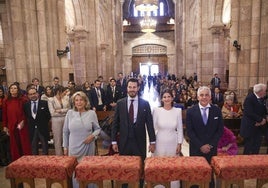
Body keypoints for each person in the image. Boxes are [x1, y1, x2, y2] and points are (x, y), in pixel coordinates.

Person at [111, 78, 156, 188]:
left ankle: (140, 185)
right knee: (124, 167)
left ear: (138, 88)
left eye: (134, 87)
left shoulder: (145, 104)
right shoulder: (120, 103)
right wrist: (113, 141)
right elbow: (115, 123)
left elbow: (149, 124)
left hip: (139, 141)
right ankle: (125, 186)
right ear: (127, 88)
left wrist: (152, 141)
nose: (132, 89)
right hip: (124, 141)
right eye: (130, 87)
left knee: (140, 166)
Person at [186, 86, 223, 188]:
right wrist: (201, 145)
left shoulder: (217, 110)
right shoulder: (191, 111)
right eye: (201, 95)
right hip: (196, 148)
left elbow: (219, 131)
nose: (204, 97)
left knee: (210, 174)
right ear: (197, 97)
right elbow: (190, 131)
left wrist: (210, 145)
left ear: (210, 97)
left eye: (206, 95)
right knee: (196, 173)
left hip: (211, 149)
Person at [63, 91, 101, 188]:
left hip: (88, 147)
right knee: (75, 171)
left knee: (88, 170)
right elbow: (65, 131)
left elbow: (98, 129)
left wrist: (92, 136)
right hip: (73, 148)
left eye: (81, 100)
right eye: (76, 100)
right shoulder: (69, 113)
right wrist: (65, 147)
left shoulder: (91, 113)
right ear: (74, 102)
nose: (79, 102)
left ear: (85, 101)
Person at [152, 89, 183, 188]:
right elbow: (152, 129)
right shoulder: (157, 111)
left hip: (173, 142)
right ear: (161, 99)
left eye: (169, 96)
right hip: (160, 142)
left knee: (173, 166)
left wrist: (179, 143)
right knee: (160, 165)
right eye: (164, 97)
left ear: (172, 98)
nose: (167, 99)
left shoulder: (178, 111)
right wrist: (151, 143)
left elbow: (180, 129)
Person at [2, 83, 32, 161]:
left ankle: (26, 160)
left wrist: (23, 121)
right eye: (11, 88)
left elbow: (27, 113)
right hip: (11, 125)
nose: (13, 90)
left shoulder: (23, 99)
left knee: (24, 143)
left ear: (18, 90)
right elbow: (4, 114)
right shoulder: (6, 100)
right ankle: (17, 161)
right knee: (14, 144)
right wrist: (5, 126)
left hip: (22, 124)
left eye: (15, 88)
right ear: (9, 90)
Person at [240, 83, 267, 154]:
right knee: (248, 148)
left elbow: (263, 111)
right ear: (260, 91)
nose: (265, 92)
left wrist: (263, 120)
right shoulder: (249, 98)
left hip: (259, 128)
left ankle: (255, 163)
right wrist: (260, 120)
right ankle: (246, 164)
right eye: (265, 90)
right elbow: (249, 113)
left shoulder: (262, 99)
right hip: (250, 127)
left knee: (256, 147)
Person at [24, 87, 51, 155]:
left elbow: (48, 116)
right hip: (32, 130)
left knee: (45, 148)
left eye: (34, 93)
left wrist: (42, 123)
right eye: (30, 94)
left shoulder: (44, 103)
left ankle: (45, 164)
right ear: (28, 95)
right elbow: (27, 116)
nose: (33, 95)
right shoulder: (26, 105)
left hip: (43, 129)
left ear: (37, 94)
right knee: (34, 148)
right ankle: (35, 164)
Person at [48, 86, 70, 155]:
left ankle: (68, 154)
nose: (65, 93)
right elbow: (52, 113)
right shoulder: (51, 100)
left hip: (66, 119)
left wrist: (60, 110)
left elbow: (69, 109)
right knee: (57, 139)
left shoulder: (66, 98)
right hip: (56, 121)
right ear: (58, 92)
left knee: (67, 137)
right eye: (64, 92)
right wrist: (64, 112)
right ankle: (59, 155)